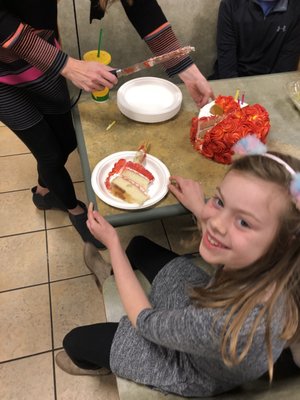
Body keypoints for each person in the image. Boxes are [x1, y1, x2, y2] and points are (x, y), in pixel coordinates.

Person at [56, 135, 300, 397]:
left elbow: (145, 322)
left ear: (283, 244)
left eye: (244, 222)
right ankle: (114, 279)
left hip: (191, 368)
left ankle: (98, 356)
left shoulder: (222, 324)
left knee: (75, 342)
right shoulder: (285, 262)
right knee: (138, 246)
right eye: (219, 201)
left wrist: (113, 243)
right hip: (202, 313)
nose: (216, 223)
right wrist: (198, 206)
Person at [0, 0, 214, 248]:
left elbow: (140, 5)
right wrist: (67, 66)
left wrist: (186, 68)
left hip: (42, 57)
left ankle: (44, 190)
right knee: (49, 155)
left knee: (67, 139)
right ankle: (73, 208)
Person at [209, 0, 300, 80]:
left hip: (272, 84)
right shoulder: (230, 4)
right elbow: (227, 68)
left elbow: (284, 70)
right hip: (231, 82)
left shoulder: (296, 10)